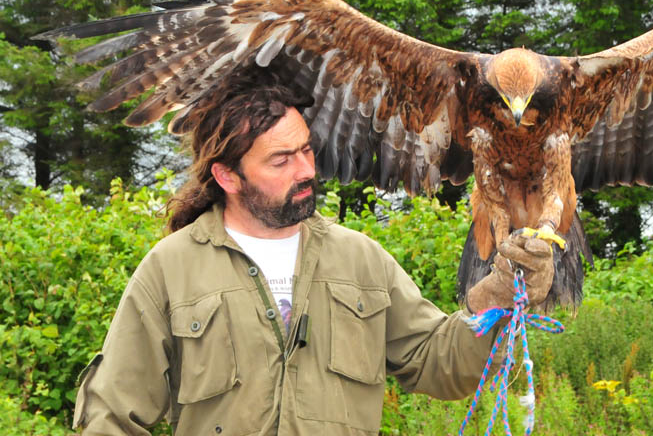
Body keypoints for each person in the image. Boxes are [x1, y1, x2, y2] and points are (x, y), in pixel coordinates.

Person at [72, 82, 555, 435]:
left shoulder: (360, 259)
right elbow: (111, 414)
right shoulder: (172, 268)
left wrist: (492, 301)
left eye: (306, 150)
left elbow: (436, 362)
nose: (306, 170)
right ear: (227, 177)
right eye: (281, 160)